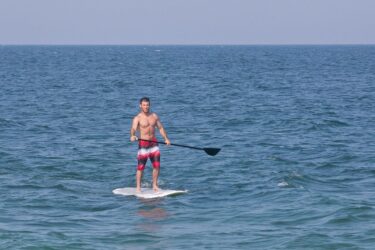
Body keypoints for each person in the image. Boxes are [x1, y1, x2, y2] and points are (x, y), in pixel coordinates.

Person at [130, 97, 170, 193]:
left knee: (156, 165)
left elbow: (160, 128)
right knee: (140, 167)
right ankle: (138, 188)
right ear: (140, 105)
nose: (146, 107)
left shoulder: (154, 116)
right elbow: (133, 129)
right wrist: (132, 135)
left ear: (149, 105)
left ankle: (155, 185)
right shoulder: (137, 118)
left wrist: (166, 139)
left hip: (154, 143)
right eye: (144, 105)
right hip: (143, 144)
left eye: (147, 105)